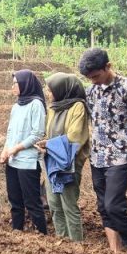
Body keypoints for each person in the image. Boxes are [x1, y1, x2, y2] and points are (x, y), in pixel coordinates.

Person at [80, 49, 127, 252]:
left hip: (120, 156)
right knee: (103, 205)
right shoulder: (91, 92)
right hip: (98, 156)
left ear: (108, 67)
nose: (92, 81)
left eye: (96, 76)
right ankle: (115, 250)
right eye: (89, 78)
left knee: (114, 205)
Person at [36, 73, 89, 241]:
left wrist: (49, 144)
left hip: (69, 163)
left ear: (61, 90)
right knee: (54, 204)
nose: (47, 93)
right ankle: (62, 241)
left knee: (69, 205)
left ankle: (76, 244)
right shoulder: (53, 108)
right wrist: (44, 144)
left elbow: (74, 137)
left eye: (50, 90)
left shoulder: (78, 107)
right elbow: (47, 132)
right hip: (52, 161)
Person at [0, 70, 47, 234]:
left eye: (15, 83)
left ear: (25, 84)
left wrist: (16, 148)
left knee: (32, 201)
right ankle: (17, 232)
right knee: (15, 200)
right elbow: (10, 132)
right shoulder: (16, 106)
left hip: (27, 161)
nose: (13, 87)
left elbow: (37, 134)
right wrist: (5, 150)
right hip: (13, 161)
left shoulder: (36, 104)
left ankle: (42, 234)